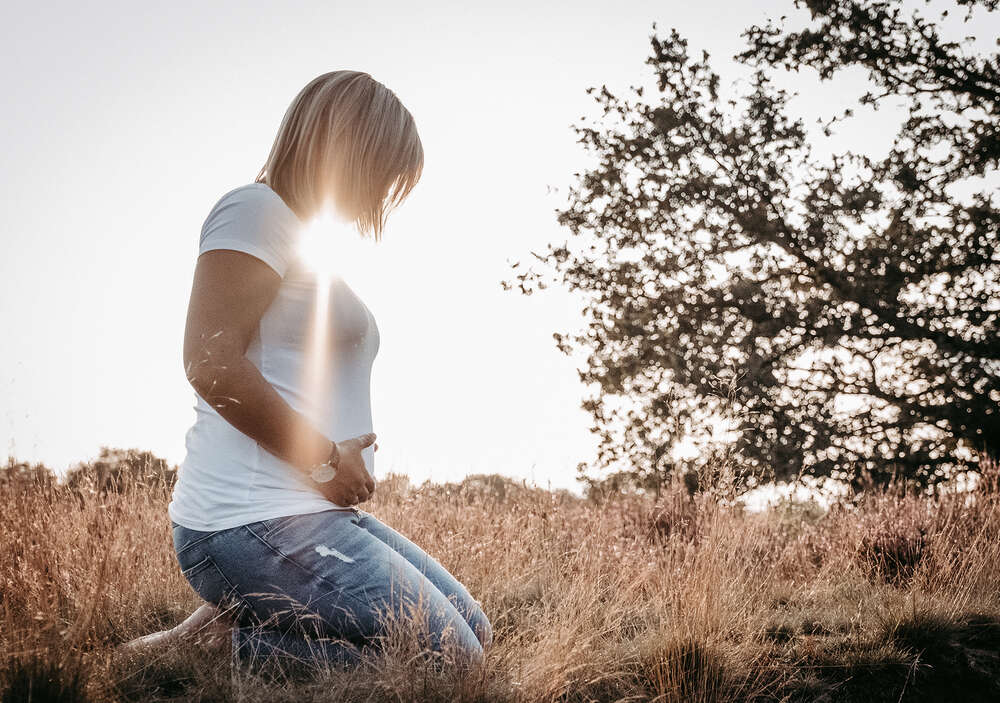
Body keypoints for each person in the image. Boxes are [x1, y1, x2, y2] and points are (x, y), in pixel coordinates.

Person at [124, 71, 492, 672]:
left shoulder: (296, 236)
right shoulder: (253, 211)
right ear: (346, 149)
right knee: (453, 661)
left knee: (475, 628)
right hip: (250, 522)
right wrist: (321, 459)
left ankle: (238, 624)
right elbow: (210, 362)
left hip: (308, 514)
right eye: (383, 168)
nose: (385, 190)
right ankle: (234, 648)